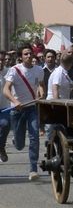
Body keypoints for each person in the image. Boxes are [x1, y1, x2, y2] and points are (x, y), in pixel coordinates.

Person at [3, 45, 45, 178]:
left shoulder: (39, 70)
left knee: (34, 137)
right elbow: (6, 90)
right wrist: (15, 102)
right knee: (20, 145)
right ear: (21, 57)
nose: (28, 56)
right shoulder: (14, 70)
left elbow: (41, 85)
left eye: (30, 53)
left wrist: (42, 93)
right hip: (17, 110)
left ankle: (33, 169)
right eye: (25, 54)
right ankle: (17, 140)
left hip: (32, 107)